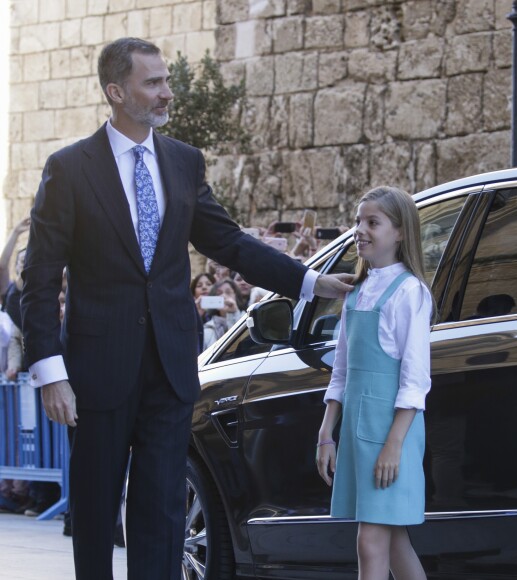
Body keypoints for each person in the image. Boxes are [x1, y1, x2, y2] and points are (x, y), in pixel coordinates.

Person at [20, 37, 352, 580]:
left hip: (172, 369)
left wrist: (311, 281)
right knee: (98, 510)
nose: (166, 93)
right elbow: (38, 276)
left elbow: (231, 244)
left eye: (166, 80)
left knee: (163, 512)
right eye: (152, 82)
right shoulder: (70, 169)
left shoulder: (182, 162)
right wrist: (49, 370)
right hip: (97, 374)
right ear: (116, 92)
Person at [316, 186, 434, 580]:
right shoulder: (357, 292)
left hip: (391, 432)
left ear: (400, 233)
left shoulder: (411, 293)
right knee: (393, 540)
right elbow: (342, 370)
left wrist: (393, 446)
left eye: (372, 222)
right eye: (357, 221)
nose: (360, 230)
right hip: (357, 428)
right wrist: (326, 432)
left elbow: (415, 380)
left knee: (371, 541)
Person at [202, 278, 244, 349]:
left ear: (235, 295)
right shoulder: (207, 328)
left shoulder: (246, 318)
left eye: (228, 292)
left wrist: (234, 314)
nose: (224, 296)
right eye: (219, 293)